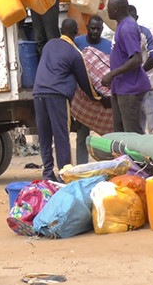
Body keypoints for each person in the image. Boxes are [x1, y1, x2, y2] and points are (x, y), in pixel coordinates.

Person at [34, 19, 106, 180]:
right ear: (76, 33)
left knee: (44, 135)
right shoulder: (74, 53)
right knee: (61, 135)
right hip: (57, 96)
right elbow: (85, 82)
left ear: (60, 30)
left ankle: (47, 173)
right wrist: (99, 98)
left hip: (38, 94)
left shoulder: (49, 45)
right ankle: (64, 175)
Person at [101, 0, 151, 134]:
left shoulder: (127, 27)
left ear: (115, 9)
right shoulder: (121, 26)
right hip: (121, 87)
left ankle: (137, 156)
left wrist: (112, 74)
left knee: (132, 134)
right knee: (120, 132)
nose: (106, 11)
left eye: (108, 8)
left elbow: (136, 59)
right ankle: (123, 156)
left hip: (130, 88)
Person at [72, 15, 112, 164]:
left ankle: (108, 165)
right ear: (88, 28)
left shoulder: (108, 46)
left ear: (102, 29)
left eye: (98, 29)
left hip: (104, 100)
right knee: (82, 135)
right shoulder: (77, 42)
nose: (95, 32)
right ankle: (81, 166)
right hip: (84, 98)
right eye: (92, 28)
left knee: (108, 135)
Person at [128, 5, 153, 134]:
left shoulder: (144, 33)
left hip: (152, 86)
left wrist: (139, 74)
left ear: (136, 18)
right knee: (138, 131)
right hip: (135, 89)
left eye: (131, 18)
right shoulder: (119, 35)